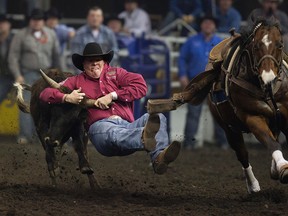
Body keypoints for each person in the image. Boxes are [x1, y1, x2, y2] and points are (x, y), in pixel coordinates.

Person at [39, 42, 181, 175]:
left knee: (157, 118)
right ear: (83, 64)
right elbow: (45, 94)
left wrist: (113, 95)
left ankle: (158, 158)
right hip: (100, 128)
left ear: (104, 61)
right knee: (113, 133)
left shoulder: (117, 73)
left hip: (127, 126)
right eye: (90, 60)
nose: (94, 63)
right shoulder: (75, 81)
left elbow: (141, 86)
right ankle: (144, 136)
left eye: (97, 59)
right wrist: (67, 97)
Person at [8, 8, 61, 144]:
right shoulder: (21, 35)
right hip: (28, 73)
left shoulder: (51, 34)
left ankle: (46, 135)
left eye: (39, 19)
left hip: (48, 75)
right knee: (26, 104)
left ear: (43, 21)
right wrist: (18, 74)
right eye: (34, 19)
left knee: (50, 104)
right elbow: (13, 57)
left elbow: (56, 56)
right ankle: (25, 135)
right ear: (30, 21)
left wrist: (60, 75)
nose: (37, 22)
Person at [178, 16, 228, 150]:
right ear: (201, 25)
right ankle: (189, 142)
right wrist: (183, 75)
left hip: (215, 83)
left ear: (214, 26)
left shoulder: (220, 43)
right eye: (205, 22)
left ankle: (223, 141)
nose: (208, 25)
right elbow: (182, 58)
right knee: (194, 112)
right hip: (196, 82)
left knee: (219, 113)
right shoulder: (191, 41)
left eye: (210, 23)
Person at [0, 14, 14, 104]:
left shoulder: (16, 39)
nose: (1, 25)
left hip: (19, 76)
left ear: (9, 25)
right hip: (3, 76)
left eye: (4, 23)